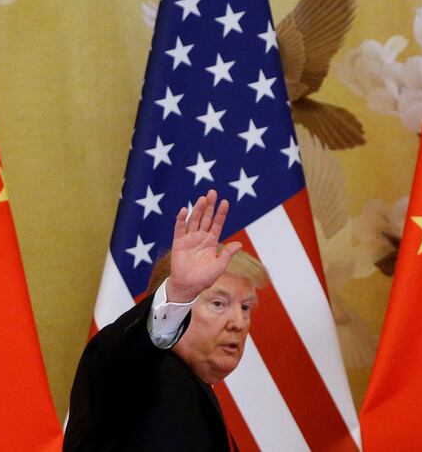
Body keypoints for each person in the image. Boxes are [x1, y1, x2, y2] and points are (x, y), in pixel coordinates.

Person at [64, 190, 269, 452]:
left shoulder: (196, 389)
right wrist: (180, 293)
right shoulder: (134, 374)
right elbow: (120, 357)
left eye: (246, 307)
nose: (239, 322)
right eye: (218, 304)